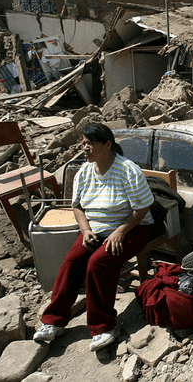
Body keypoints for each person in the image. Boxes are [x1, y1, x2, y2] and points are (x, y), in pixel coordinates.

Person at [33, 123, 155, 352]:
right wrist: (86, 229)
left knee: (98, 263)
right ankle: (53, 320)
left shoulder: (128, 170)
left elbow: (142, 208)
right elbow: (77, 206)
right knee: (72, 261)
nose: (85, 148)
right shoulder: (85, 171)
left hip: (132, 228)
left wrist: (121, 230)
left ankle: (103, 326)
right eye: (83, 144)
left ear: (107, 144)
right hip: (96, 229)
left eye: (90, 144)